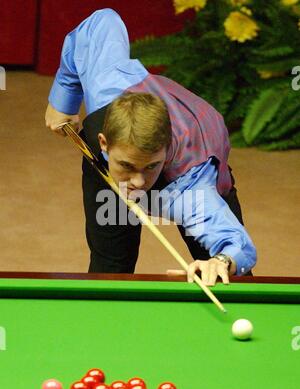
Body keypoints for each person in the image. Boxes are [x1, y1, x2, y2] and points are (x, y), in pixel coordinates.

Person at [45, 8, 257, 286]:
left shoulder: (192, 186)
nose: (138, 182)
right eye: (127, 166)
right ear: (104, 142)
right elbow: (102, 22)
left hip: (189, 170)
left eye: (150, 166)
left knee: (222, 276)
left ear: (166, 149)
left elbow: (237, 245)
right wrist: (64, 98)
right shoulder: (108, 84)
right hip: (122, 158)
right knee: (111, 266)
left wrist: (223, 260)